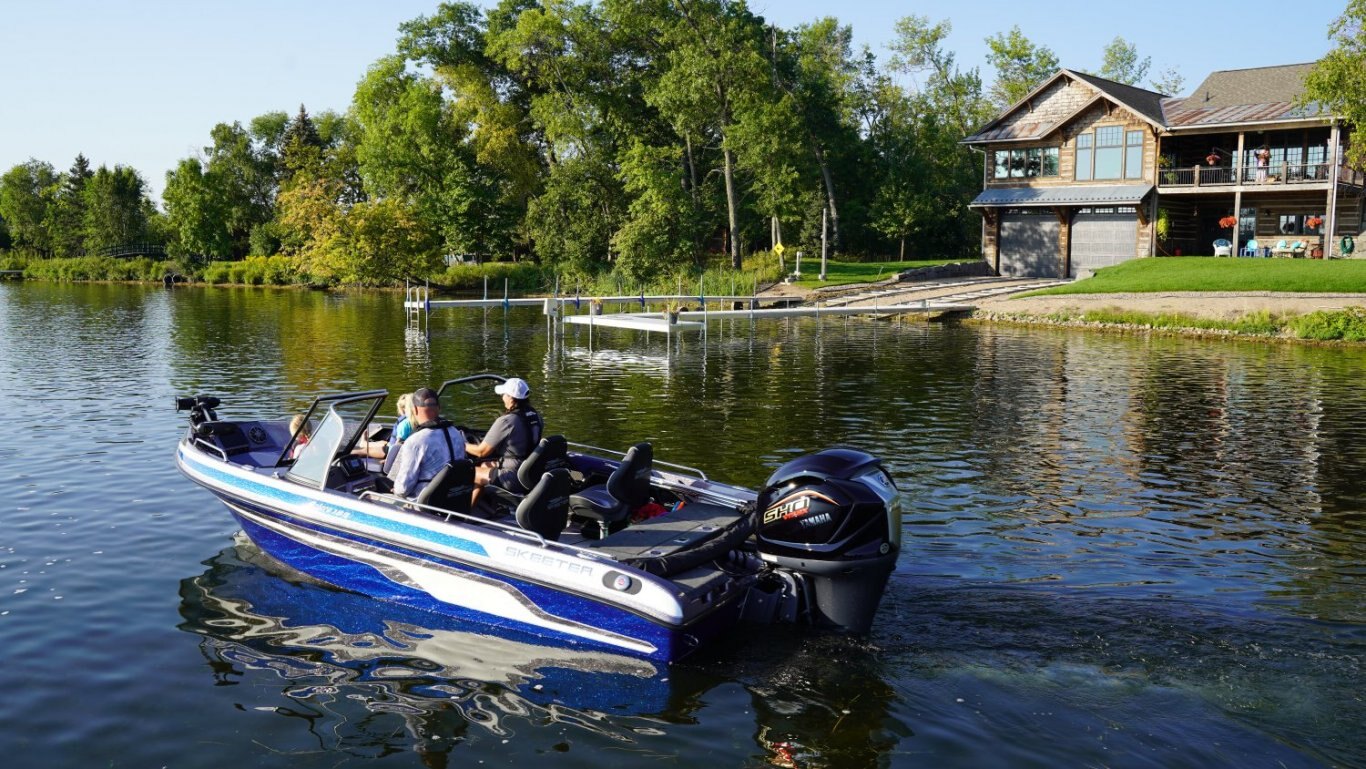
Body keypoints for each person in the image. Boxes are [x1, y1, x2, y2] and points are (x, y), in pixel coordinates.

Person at [465, 377, 543, 507]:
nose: (502, 398)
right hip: (530, 471)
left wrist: (462, 445)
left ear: (511, 398)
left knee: (470, 473)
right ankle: (477, 507)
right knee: (484, 466)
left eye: (504, 395)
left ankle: (462, 514)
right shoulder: (536, 416)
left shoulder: (507, 421)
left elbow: (481, 452)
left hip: (512, 477)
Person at [387, 387, 466, 500]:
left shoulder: (415, 441)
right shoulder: (456, 433)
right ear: (439, 408)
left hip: (425, 505)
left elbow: (403, 489)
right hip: (454, 498)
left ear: (414, 409)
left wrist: (396, 490)